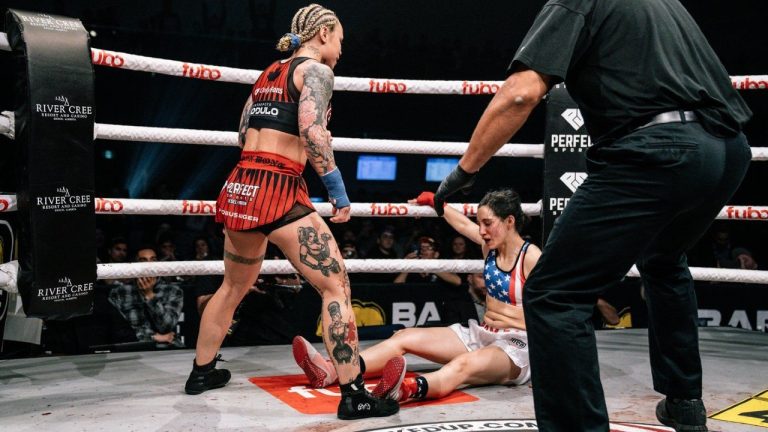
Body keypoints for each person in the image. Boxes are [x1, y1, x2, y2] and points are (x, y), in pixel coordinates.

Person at [433, 1, 752, 430]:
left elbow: (521, 92)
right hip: (727, 150)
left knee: (553, 294)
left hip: (655, 149)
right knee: (663, 260)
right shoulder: (666, 6)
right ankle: (684, 402)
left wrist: (464, 171)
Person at [184, 4, 398, 420]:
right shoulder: (316, 72)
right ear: (323, 33)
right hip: (278, 188)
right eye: (339, 39)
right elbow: (312, 130)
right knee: (335, 287)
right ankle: (354, 393)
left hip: (240, 186)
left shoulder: (268, 73)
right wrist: (337, 191)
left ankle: (201, 372)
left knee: (233, 286)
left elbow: (244, 132)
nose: (340, 48)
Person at [293, 189, 541, 404]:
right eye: (481, 224)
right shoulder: (490, 245)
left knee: (462, 366)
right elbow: (464, 225)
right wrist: (437, 202)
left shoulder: (532, 258)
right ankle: (331, 372)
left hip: (515, 346)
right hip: (482, 334)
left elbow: (554, 310)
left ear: (510, 221)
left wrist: (549, 370)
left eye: (488, 223)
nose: (482, 231)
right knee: (404, 336)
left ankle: (403, 390)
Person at [108, 246, 184, 347]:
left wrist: (149, 295)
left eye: (153, 260)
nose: (149, 264)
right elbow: (118, 331)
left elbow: (166, 326)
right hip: (133, 348)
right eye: (143, 260)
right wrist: (152, 337)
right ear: (135, 264)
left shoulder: (172, 291)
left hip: (167, 348)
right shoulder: (119, 293)